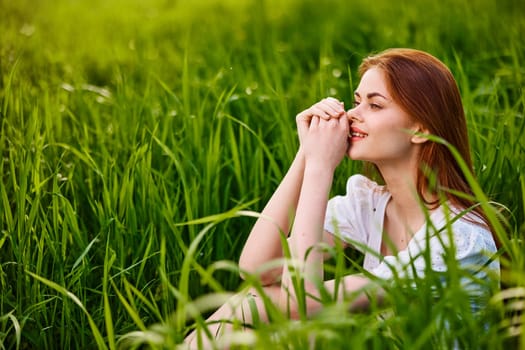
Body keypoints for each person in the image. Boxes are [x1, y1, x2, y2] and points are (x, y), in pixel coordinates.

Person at [183, 48, 500, 348]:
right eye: (356, 101)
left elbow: (305, 304)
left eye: (374, 105)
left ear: (420, 129)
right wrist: (306, 154)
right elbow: (258, 268)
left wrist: (321, 168)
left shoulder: (459, 241)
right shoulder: (371, 203)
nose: (351, 115)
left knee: (265, 310)